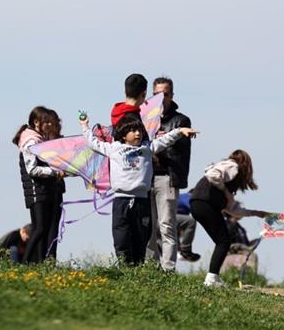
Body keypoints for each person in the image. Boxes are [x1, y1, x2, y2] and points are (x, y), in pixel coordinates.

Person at [81, 112, 197, 265]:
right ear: (123, 135)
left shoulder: (148, 148)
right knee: (121, 236)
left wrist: (180, 131)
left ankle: (138, 267)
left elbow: (165, 140)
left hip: (142, 201)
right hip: (121, 201)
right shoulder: (114, 149)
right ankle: (124, 266)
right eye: (133, 131)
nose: (137, 133)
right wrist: (85, 126)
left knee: (142, 236)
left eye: (140, 131)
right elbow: (93, 143)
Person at [189, 149, 266, 287]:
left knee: (222, 241)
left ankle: (213, 277)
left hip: (197, 204)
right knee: (223, 241)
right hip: (205, 203)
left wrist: (256, 213)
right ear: (245, 163)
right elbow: (212, 174)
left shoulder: (229, 177)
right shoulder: (232, 166)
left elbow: (233, 210)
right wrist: (225, 191)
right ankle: (211, 278)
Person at [147, 76, 193, 271]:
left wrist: (159, 149)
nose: (161, 98)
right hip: (145, 178)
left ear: (171, 95)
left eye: (165, 94)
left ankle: (168, 269)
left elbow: (180, 148)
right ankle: (151, 267)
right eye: (157, 94)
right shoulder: (146, 119)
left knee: (166, 225)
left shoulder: (181, 120)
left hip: (168, 177)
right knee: (148, 226)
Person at [13, 107, 66, 263]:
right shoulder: (31, 141)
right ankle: (26, 263)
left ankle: (37, 262)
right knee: (40, 228)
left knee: (41, 228)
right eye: (46, 122)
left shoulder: (39, 138)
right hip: (37, 189)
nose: (50, 125)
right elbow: (32, 169)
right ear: (36, 122)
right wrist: (54, 172)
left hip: (42, 189)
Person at [176, 192, 200, 262]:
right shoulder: (189, 196)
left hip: (160, 220)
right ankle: (185, 250)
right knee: (191, 221)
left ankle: (179, 251)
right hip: (166, 218)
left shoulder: (181, 198)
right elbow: (193, 207)